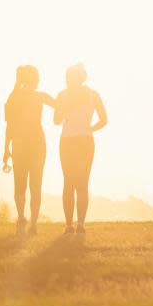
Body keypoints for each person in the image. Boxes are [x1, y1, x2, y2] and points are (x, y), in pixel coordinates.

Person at [54, 63, 107, 235]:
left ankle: (72, 225)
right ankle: (78, 225)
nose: (67, 80)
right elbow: (103, 120)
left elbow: (56, 121)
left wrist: (63, 108)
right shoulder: (93, 95)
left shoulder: (62, 95)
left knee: (70, 183)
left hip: (69, 141)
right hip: (84, 141)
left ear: (74, 78)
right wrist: (89, 128)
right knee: (80, 184)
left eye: (68, 77)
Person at [4, 65, 55, 237]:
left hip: (19, 145)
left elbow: (9, 126)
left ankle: (21, 219)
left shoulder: (13, 98)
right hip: (37, 145)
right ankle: (33, 223)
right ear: (34, 79)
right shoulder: (39, 97)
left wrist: (6, 149)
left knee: (20, 184)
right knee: (36, 184)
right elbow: (59, 106)